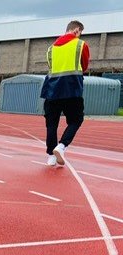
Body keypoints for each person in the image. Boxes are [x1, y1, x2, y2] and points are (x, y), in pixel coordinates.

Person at [40, 20, 90, 166]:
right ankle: (61, 146)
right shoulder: (81, 45)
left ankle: (51, 156)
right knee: (76, 120)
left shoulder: (50, 49)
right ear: (76, 30)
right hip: (71, 89)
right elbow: (84, 66)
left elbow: (51, 67)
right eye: (80, 32)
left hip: (52, 91)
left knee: (51, 124)